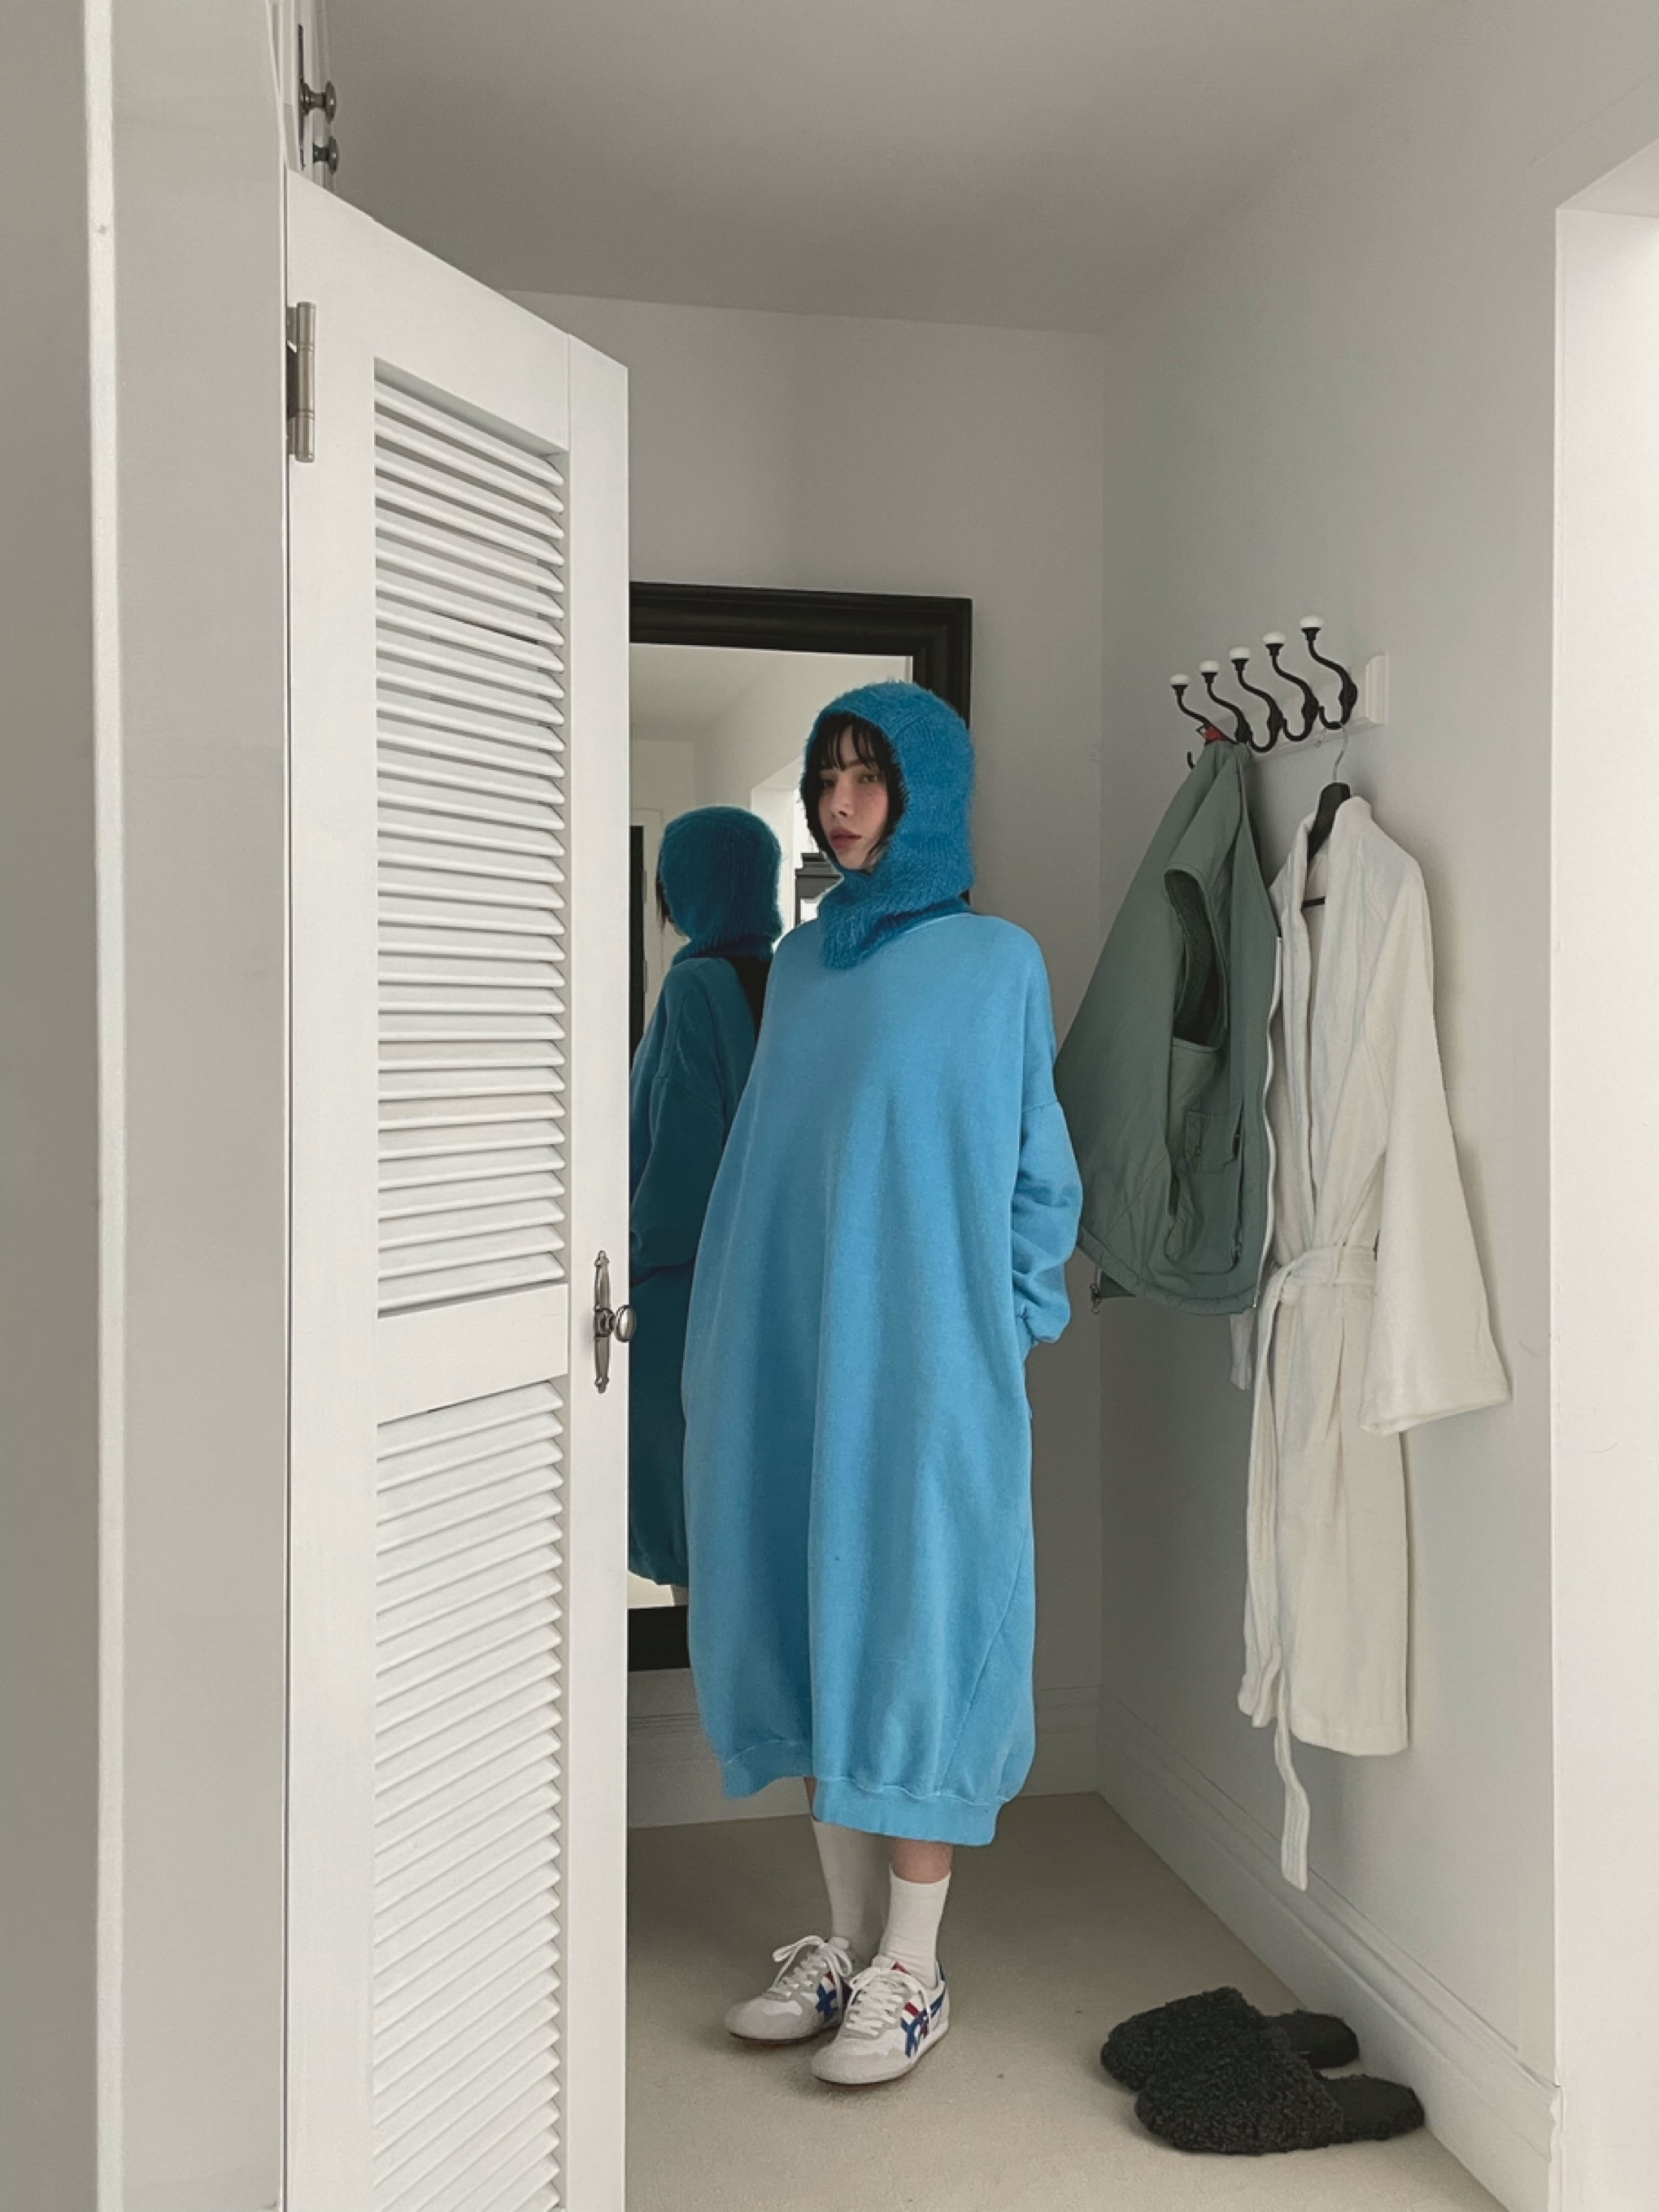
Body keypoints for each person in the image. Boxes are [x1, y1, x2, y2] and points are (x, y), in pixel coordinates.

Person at [681, 682, 1082, 2086]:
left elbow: (1040, 1172)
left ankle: (916, 1966)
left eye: (870, 777)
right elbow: (771, 1165)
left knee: (918, 1615)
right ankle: (845, 1943)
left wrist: (1003, 1327)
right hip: (793, 1345)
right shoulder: (800, 965)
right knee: (813, 1611)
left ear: (927, 794)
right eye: (826, 776)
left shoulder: (997, 962)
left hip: (930, 1358)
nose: (841, 803)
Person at [628, 805, 782, 1591]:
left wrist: (623, 1259)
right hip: (767, 1295)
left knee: (689, 1538)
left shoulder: (694, 988)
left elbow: (681, 1166)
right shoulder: (793, 983)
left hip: (683, 1301)